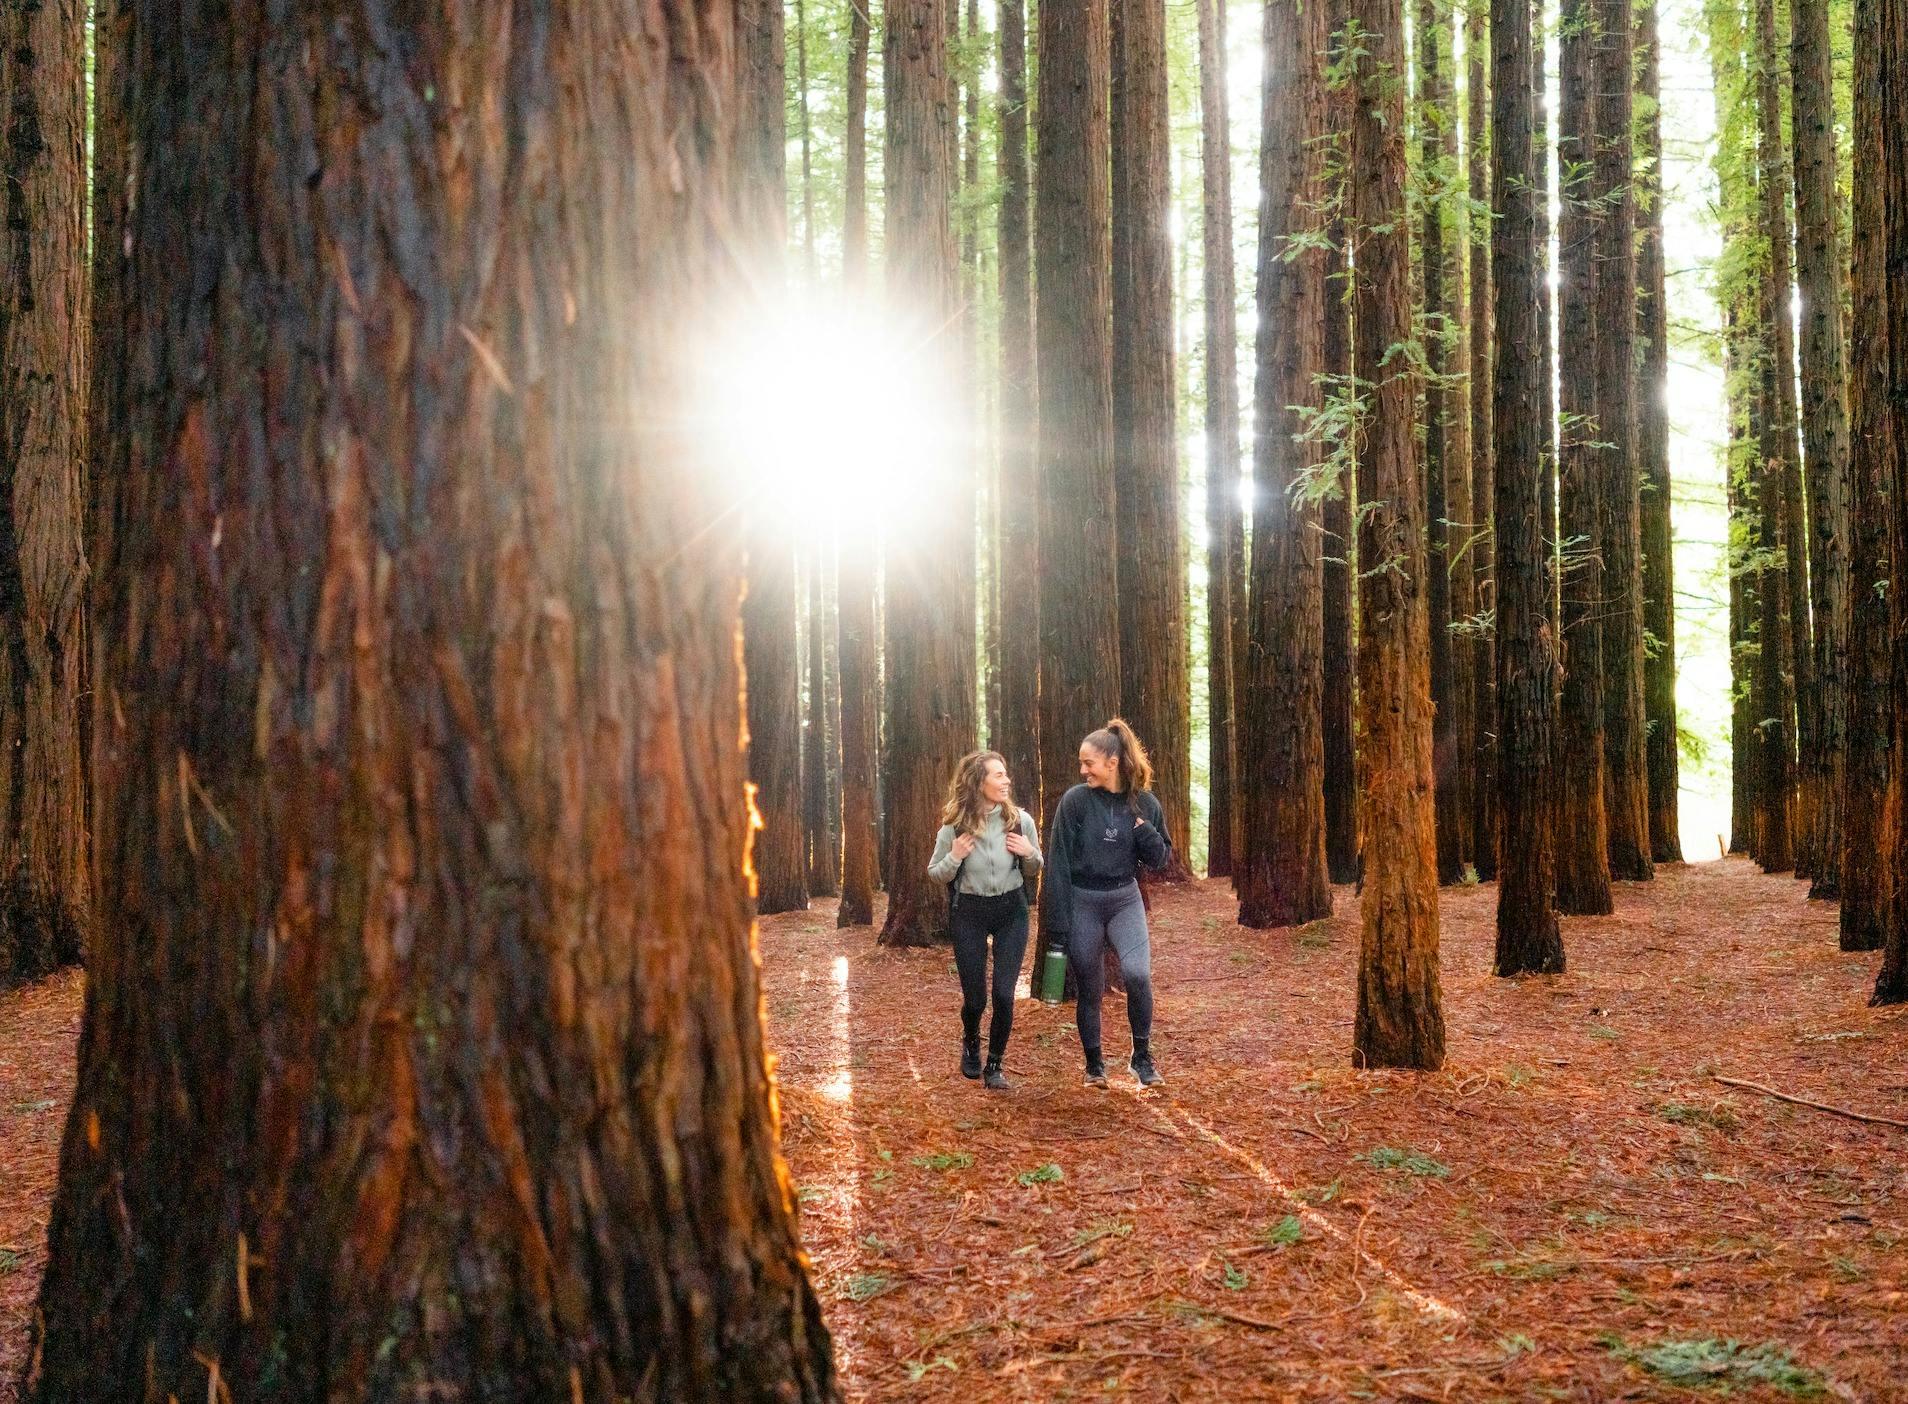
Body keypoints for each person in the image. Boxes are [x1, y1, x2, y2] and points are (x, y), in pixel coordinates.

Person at [1042, 718, 1172, 1088]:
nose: (1083, 770)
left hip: (1124, 899)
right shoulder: (1076, 801)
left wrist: (1144, 831)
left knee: (1138, 974)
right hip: (1083, 900)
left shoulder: (1144, 802)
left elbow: (1162, 859)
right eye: (1081, 763)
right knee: (1089, 983)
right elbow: (1059, 863)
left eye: (1089, 763)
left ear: (1112, 763)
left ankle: (1141, 1058)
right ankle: (1095, 1064)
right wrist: (1059, 923)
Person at [927, 751, 1043, 1089]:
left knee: (1005, 995)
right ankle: (971, 1038)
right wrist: (955, 856)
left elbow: (1036, 866)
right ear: (978, 782)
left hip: (1012, 911)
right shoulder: (954, 827)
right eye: (998, 775)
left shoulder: (1020, 821)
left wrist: (1029, 853)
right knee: (976, 997)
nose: (1006, 780)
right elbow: (936, 873)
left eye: (1005, 774)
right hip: (970, 914)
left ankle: (995, 1064)